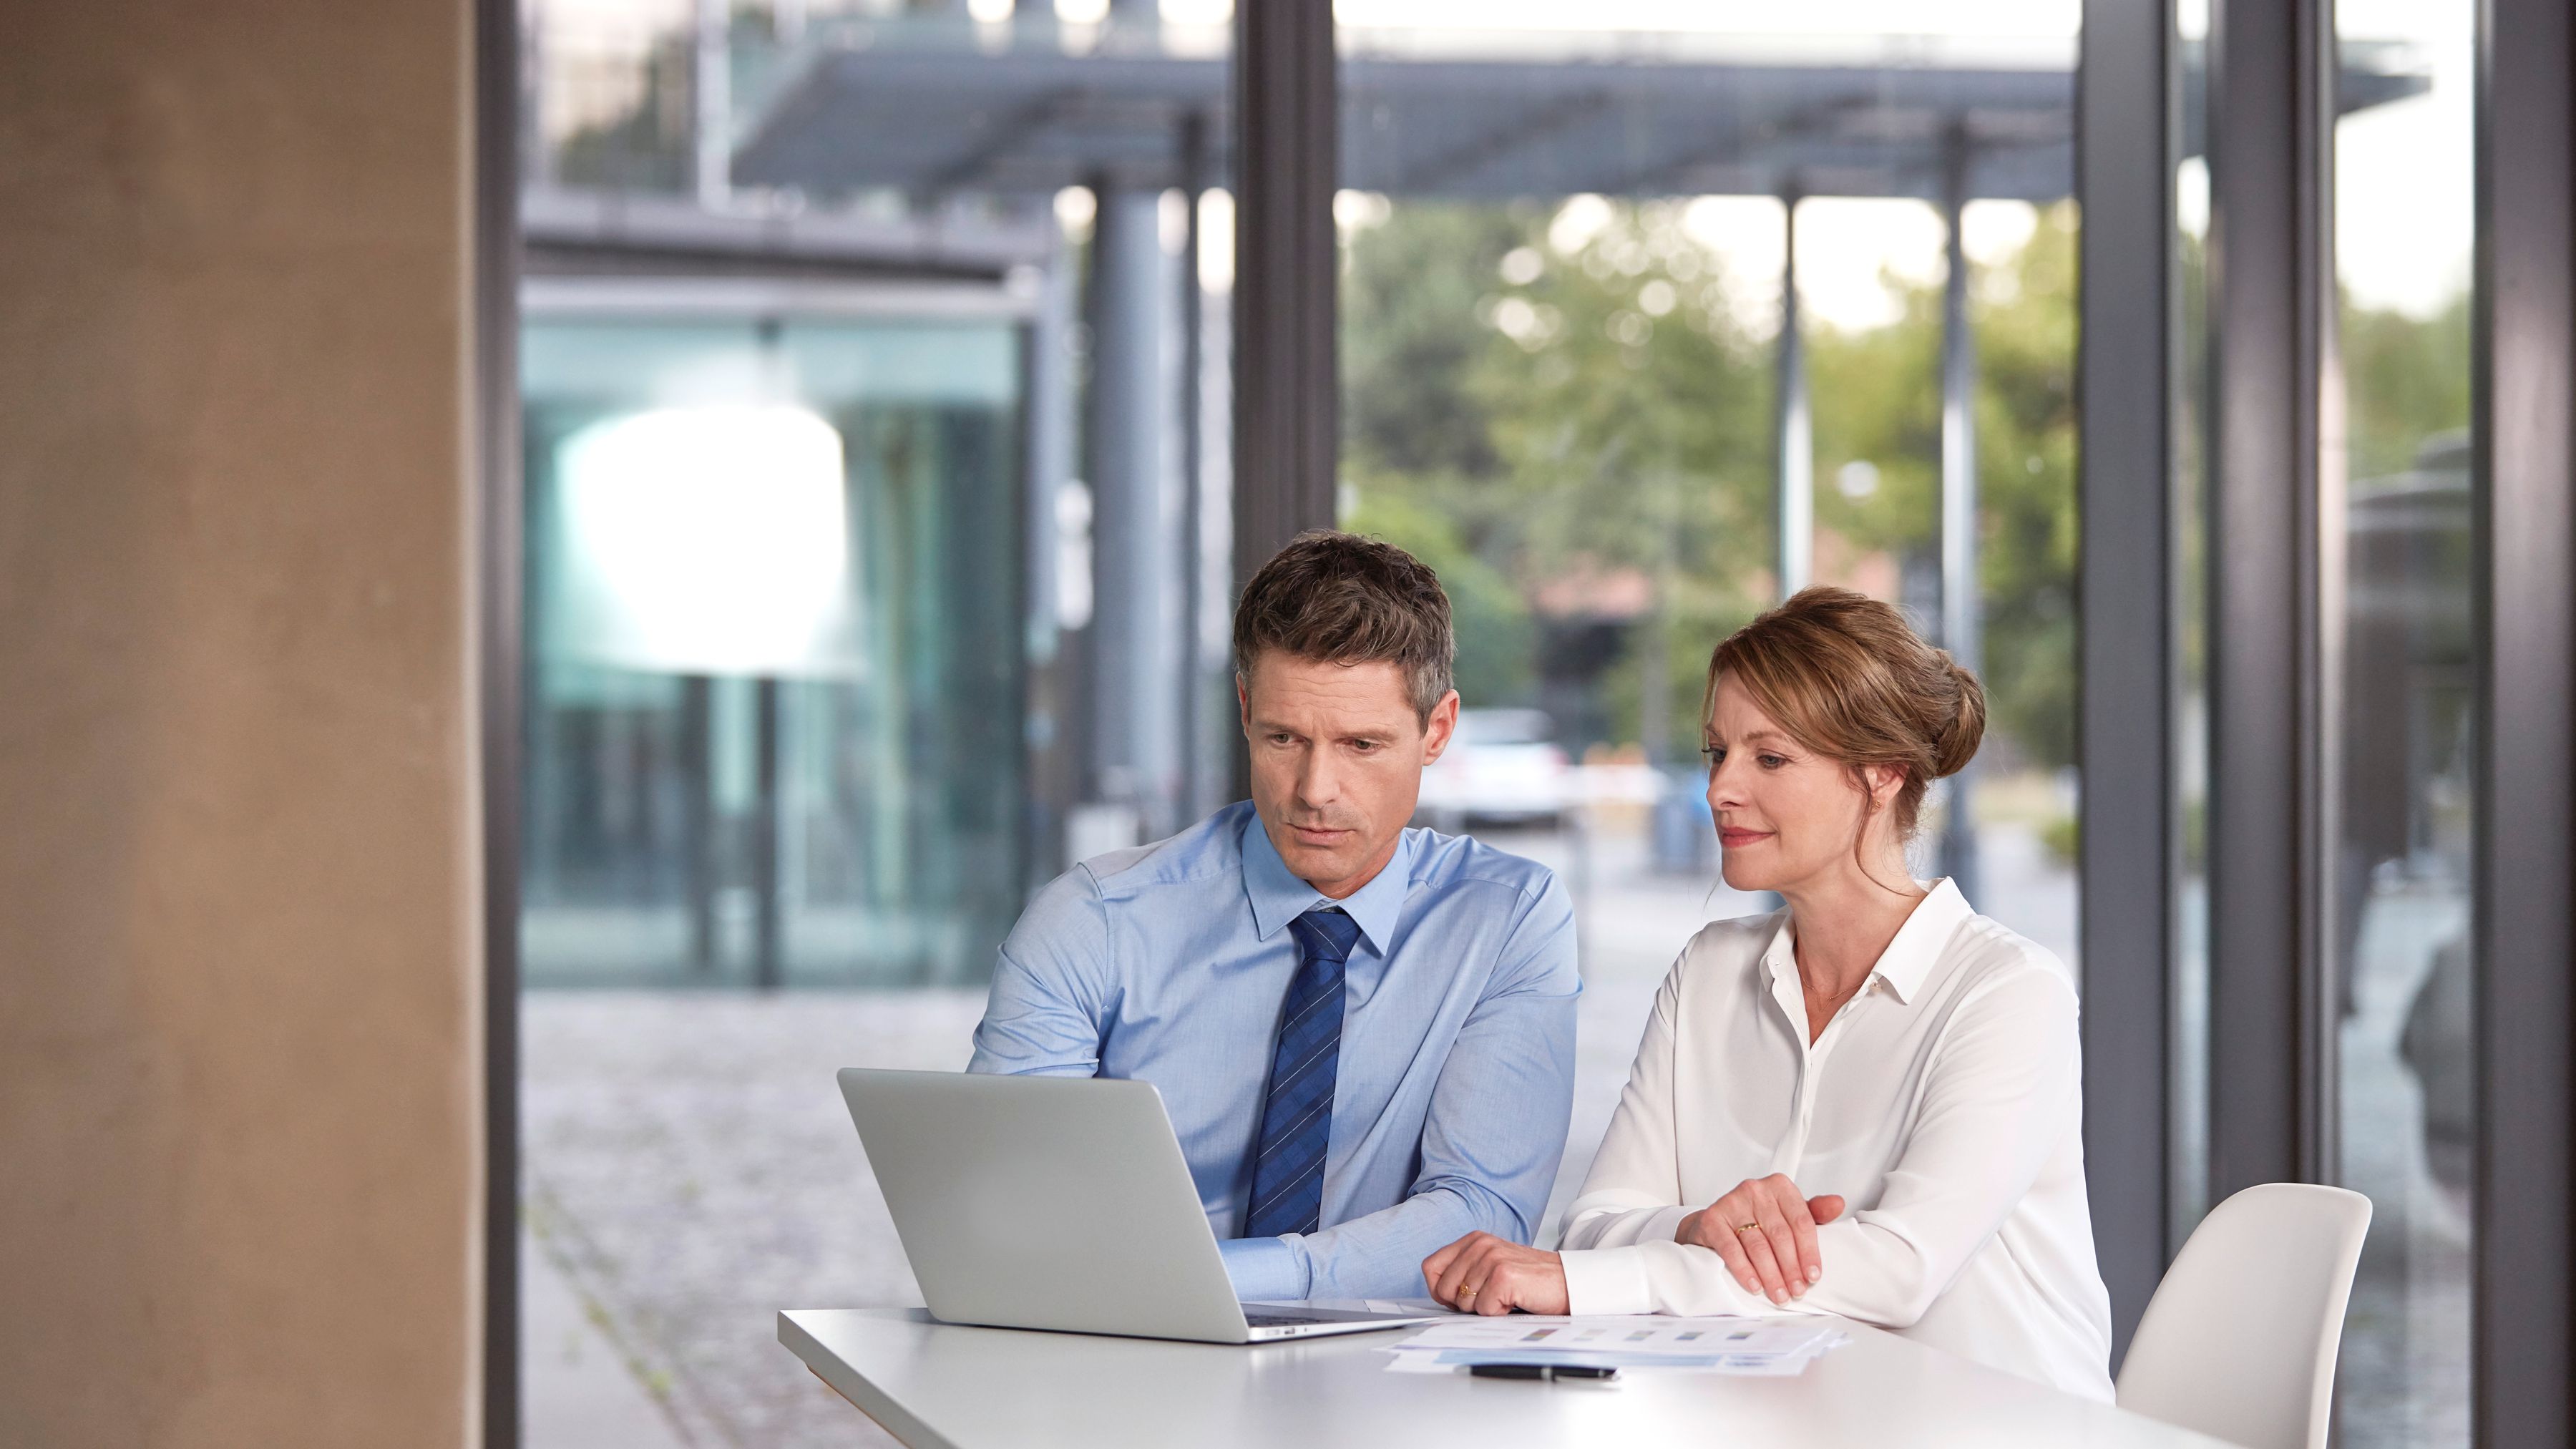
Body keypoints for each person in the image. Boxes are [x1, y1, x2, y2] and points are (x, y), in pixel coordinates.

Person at [1421, 586, 2114, 1400]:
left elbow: (1899, 1267)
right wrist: (1696, 1226)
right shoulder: (1709, 972)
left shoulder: (2007, 993)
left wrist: (1585, 1282)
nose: (1721, 789)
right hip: (1790, 1422)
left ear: (1882, 773)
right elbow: (1597, 1220)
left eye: (1770, 758)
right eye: (1718, 753)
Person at [970, 531, 1581, 1303]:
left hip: (1380, 1368)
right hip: (1128, 1350)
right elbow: (1004, 1208)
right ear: (1245, 709)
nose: (1315, 789)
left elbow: (1481, 1216)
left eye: (1362, 745)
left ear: (1438, 731)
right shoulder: (1094, 922)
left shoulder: (1504, 922)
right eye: (1285, 738)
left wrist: (1220, 1280)